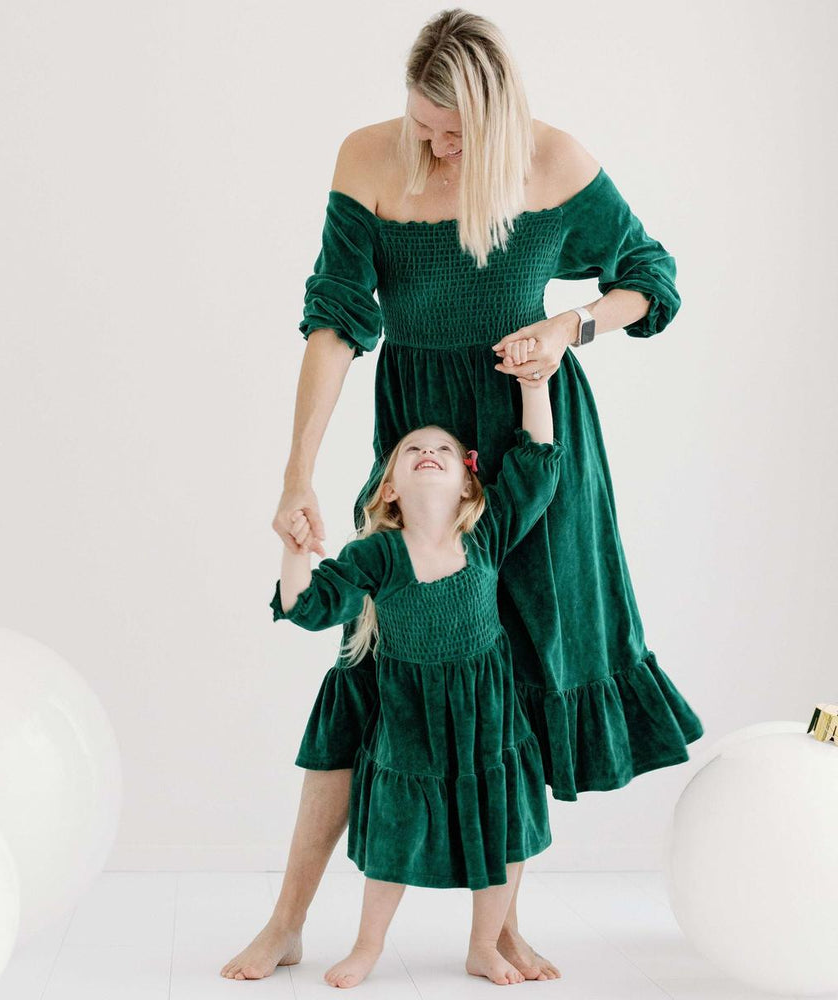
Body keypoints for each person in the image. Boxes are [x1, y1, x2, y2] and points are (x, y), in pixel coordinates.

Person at [221, 7, 703, 982]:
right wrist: (296, 471)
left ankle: (497, 931)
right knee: (366, 673)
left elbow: (651, 279)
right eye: (423, 124)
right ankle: (286, 920)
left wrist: (569, 327)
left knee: (518, 670)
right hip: (420, 448)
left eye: (456, 134)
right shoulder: (368, 159)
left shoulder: (553, 162)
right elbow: (334, 321)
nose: (436, 147)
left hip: (532, 447)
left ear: (498, 120)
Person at [270, 357, 563, 988]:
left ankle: (484, 945)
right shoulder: (377, 554)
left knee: (505, 828)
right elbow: (307, 607)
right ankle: (368, 946)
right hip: (409, 722)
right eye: (412, 450)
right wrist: (295, 553)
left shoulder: (486, 534)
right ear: (389, 488)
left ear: (467, 485)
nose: (429, 451)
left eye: (444, 450)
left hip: (489, 719)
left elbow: (537, 467)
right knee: (395, 834)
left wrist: (535, 385)